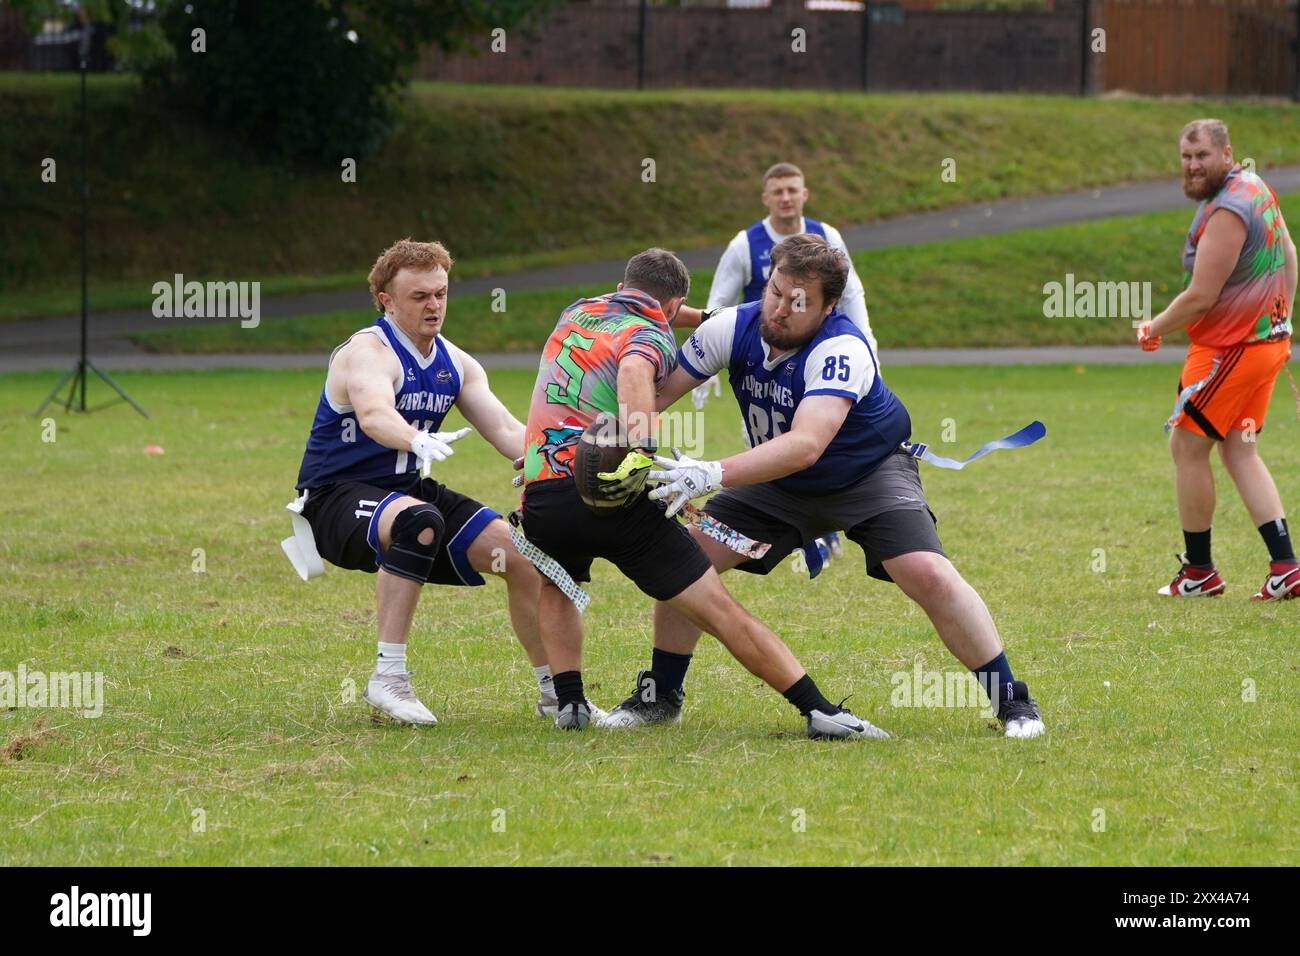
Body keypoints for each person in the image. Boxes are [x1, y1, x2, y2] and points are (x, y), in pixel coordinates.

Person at [599, 234, 1045, 739]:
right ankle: (661, 696)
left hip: (867, 475)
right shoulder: (733, 326)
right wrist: (565, 444)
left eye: (800, 301)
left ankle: (1014, 702)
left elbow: (807, 444)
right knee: (683, 561)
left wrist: (711, 471)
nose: (781, 309)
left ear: (829, 306)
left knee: (928, 573)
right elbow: (647, 398)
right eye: (775, 292)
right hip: (777, 483)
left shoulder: (841, 347)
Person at [518, 247, 887, 739]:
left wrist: (713, 318)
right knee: (718, 610)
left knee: (558, 585)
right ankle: (818, 710)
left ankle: (570, 704)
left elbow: (667, 316)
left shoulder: (578, 311)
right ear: (672, 307)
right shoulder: (648, 334)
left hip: (544, 489)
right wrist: (639, 450)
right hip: (612, 492)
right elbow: (633, 373)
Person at [292, 239, 558, 725]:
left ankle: (557, 693)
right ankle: (388, 678)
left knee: (523, 558)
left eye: (440, 293)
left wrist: (554, 464)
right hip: (336, 498)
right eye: (419, 297)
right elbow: (374, 414)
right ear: (386, 300)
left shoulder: (456, 362)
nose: (434, 305)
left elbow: (503, 429)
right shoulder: (366, 351)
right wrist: (413, 437)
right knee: (420, 520)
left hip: (407, 491)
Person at [1136, 119, 1299, 600]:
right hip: (1264, 346)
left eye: (1202, 156)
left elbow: (1201, 297)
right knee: (1238, 448)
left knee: (1186, 448)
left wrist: (1152, 327)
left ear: (1227, 154)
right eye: (1186, 157)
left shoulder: (1229, 208)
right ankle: (1286, 566)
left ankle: (1200, 572)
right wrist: (1282, 320)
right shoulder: (1256, 186)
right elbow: (1289, 252)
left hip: (1230, 352)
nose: (1192, 166)